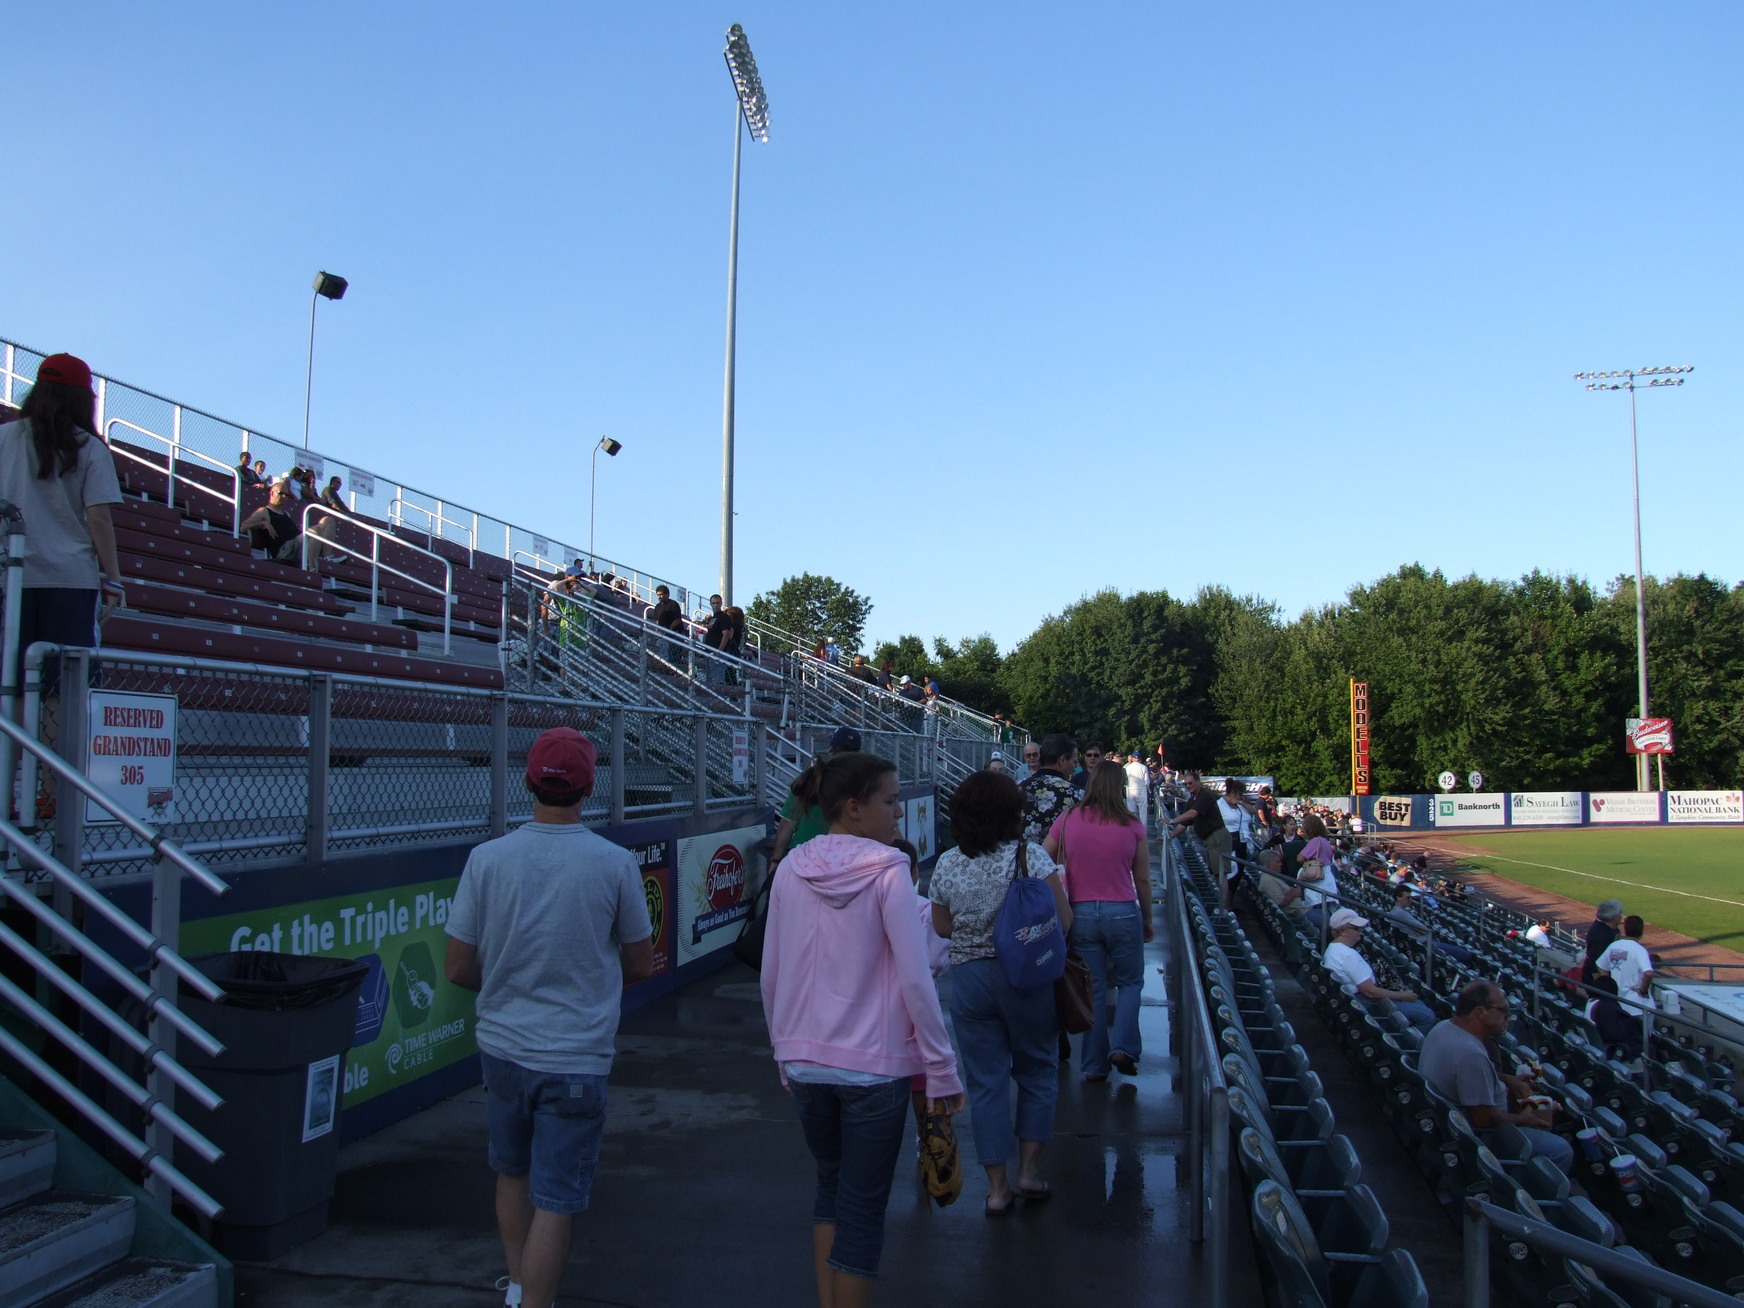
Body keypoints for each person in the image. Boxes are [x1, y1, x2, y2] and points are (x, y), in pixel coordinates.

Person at [443, 728, 656, 1308]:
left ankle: (519, 1290)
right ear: (589, 786)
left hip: (504, 1049)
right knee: (557, 1199)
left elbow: (459, 967)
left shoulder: (487, 859)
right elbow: (641, 961)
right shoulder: (613, 862)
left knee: (512, 1175)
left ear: (529, 780)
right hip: (575, 1056)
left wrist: (518, 976)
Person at [761, 753, 964, 1302]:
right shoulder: (890, 872)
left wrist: (784, 1051)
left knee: (830, 1188)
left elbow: (771, 974)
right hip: (874, 1070)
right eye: (890, 802)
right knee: (862, 1208)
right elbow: (916, 979)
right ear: (854, 809)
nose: (898, 815)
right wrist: (942, 1071)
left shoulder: (791, 870)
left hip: (805, 1063)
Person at [929, 771, 1072, 1215]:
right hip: (1026, 979)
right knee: (1037, 1070)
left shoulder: (948, 863)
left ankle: (996, 1189)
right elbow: (1063, 921)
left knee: (986, 1082)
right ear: (1013, 812)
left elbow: (942, 926)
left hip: (971, 980)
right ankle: (1029, 1173)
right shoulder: (1031, 858)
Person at [0, 353, 126, 696]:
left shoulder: (5, 437)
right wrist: (113, 579)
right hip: (69, 580)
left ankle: (11, 751)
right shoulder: (89, 446)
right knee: (62, 691)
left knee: (9, 688)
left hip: (10, 577)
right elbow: (98, 516)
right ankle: (54, 752)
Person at [1044, 761, 1151, 1081]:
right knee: (1131, 982)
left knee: (1095, 988)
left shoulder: (1068, 819)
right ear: (1119, 786)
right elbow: (1142, 879)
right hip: (1122, 911)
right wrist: (1147, 919)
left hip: (1082, 913)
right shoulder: (1132, 825)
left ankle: (1092, 1064)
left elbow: (1042, 857)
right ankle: (1124, 1047)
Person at [1421, 981, 1574, 1174]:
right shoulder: (1471, 1055)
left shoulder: (1445, 1027)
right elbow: (1483, 1120)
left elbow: (1463, 1074)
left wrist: (1506, 1079)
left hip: (1443, 1124)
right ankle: (1521, 1199)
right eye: (1503, 1011)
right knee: (1559, 1150)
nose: (1507, 1018)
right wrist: (1523, 1119)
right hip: (1478, 1138)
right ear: (1480, 1013)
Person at [1322, 909, 1435, 1033]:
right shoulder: (1347, 955)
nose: (1361, 931)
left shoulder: (1333, 948)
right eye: (1356, 928)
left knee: (1419, 1004)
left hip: (1358, 1001)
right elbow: (1370, 992)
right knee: (1427, 1015)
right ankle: (1407, 1047)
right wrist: (1402, 996)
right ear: (1342, 931)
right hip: (1367, 1004)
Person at [769, 728, 862, 872]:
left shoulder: (809, 778)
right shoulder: (863, 784)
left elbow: (787, 825)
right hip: (844, 866)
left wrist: (776, 860)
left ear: (830, 750)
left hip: (802, 863)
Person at [1168, 771, 1229, 889]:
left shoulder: (1205, 795)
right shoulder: (1191, 801)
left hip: (1218, 836)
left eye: (1190, 783)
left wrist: (1171, 821)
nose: (1188, 786)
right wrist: (1169, 835)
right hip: (1208, 839)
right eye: (1186, 784)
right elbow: (1183, 824)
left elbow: (1192, 814)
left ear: (1198, 782)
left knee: (1220, 875)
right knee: (1214, 873)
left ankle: (1224, 906)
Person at [1018, 733, 1081, 845]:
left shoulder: (1016, 789)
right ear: (1062, 760)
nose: (1074, 768)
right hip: (1057, 861)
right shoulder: (1076, 794)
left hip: (1021, 860)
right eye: (1074, 762)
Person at [1387, 886, 1475, 965]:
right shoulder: (1401, 913)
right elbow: (1425, 929)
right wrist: (1420, 931)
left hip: (1422, 944)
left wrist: (1419, 930)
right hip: (1426, 946)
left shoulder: (1396, 911)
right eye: (1407, 897)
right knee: (1467, 954)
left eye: (1411, 897)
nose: (1410, 900)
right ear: (1398, 898)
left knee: (1460, 949)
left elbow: (1420, 929)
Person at [1596, 915, 1656, 1013]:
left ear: (1625, 929)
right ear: (1641, 931)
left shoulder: (1614, 946)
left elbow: (1600, 964)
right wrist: (1643, 991)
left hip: (1619, 1004)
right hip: (1639, 1006)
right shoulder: (1639, 950)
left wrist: (1609, 984)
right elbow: (1648, 973)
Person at [1293, 814, 1339, 933]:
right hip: (1327, 878)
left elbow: (1300, 858)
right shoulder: (1325, 840)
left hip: (1318, 879)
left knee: (1320, 916)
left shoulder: (1315, 841)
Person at [1584, 976, 1645, 1062]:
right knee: (1649, 1045)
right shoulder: (1605, 1006)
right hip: (1612, 1049)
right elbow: (1614, 1034)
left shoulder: (1591, 1002)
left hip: (1599, 1046)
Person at [240, 480, 303, 562]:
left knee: (323, 526)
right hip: (285, 551)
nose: (284, 496)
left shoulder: (286, 514)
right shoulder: (264, 511)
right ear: (272, 493)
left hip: (297, 548)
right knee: (313, 532)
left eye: (286, 494)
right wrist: (263, 523)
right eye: (281, 493)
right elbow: (243, 527)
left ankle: (318, 565)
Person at [1582, 900, 1625, 985]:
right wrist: (1601, 983)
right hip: (1602, 980)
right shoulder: (1600, 934)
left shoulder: (1611, 928)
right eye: (1620, 913)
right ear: (1614, 918)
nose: (1621, 916)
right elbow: (1594, 959)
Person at [646, 585, 685, 665]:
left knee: (674, 655)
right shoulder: (657, 606)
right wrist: (658, 630)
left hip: (675, 633)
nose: (659, 597)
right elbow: (657, 620)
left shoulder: (673, 604)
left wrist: (669, 630)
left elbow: (677, 620)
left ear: (667, 594)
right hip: (663, 633)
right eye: (658, 595)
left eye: (661, 594)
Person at [1123, 750, 1151, 826]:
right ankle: (1143, 832)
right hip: (1141, 789)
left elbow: (1125, 780)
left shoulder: (1127, 767)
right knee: (1143, 813)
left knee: (1131, 812)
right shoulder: (1144, 767)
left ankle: (1131, 829)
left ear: (1132, 758)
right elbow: (1147, 781)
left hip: (1130, 789)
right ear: (1140, 758)